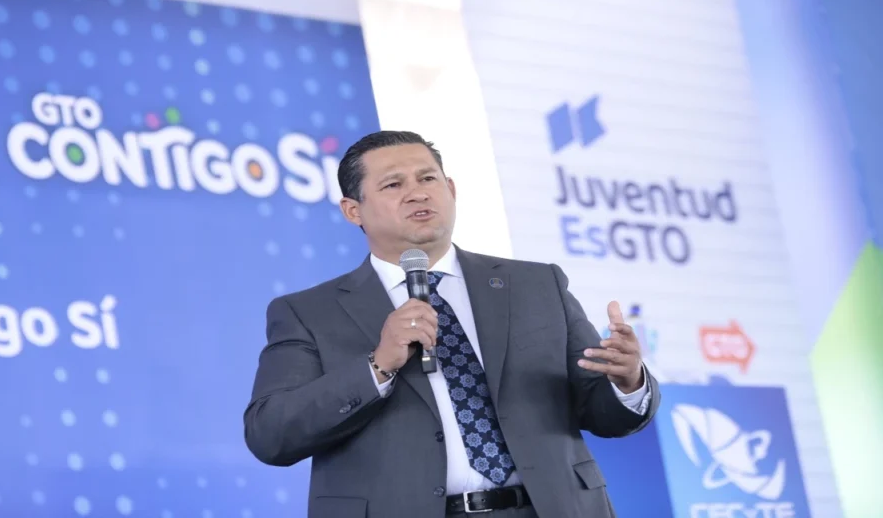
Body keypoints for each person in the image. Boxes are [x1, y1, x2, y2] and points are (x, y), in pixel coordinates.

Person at [244, 131, 660, 518]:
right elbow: (270, 435)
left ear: (451, 189)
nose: (417, 193)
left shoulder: (536, 284)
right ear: (354, 211)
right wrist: (377, 366)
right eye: (393, 185)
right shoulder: (309, 312)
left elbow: (601, 413)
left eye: (428, 178)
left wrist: (627, 382)